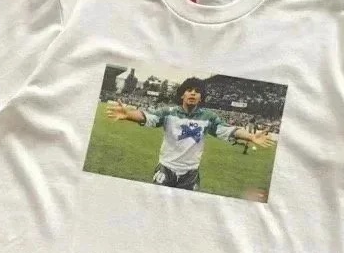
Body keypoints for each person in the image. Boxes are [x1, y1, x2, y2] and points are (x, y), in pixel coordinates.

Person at [106, 77, 273, 191]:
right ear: (182, 94)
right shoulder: (168, 113)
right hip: (166, 169)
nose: (193, 93)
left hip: (190, 174)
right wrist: (129, 115)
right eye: (189, 90)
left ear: (201, 97)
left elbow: (228, 129)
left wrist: (251, 136)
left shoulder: (208, 117)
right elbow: (148, 117)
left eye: (197, 91)